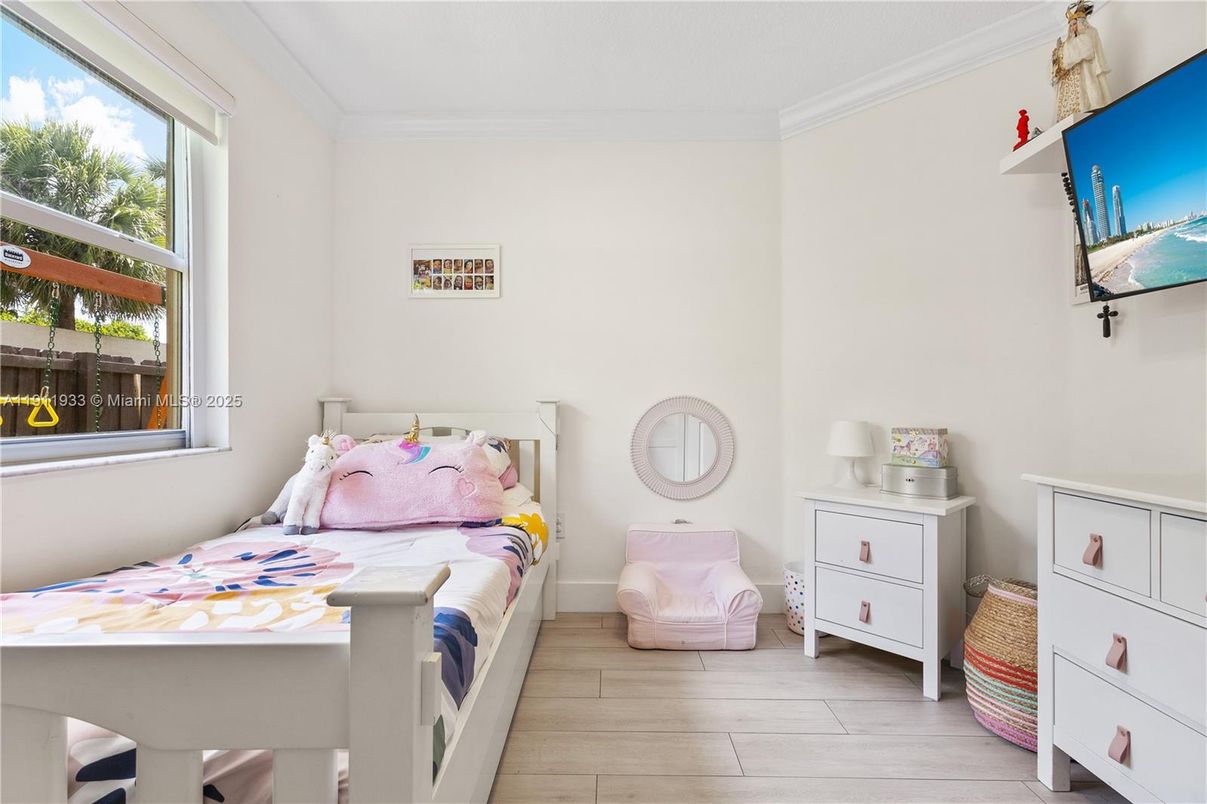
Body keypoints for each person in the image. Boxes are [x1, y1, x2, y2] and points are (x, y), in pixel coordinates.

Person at [1051, 1, 1110, 122]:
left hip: (1088, 73)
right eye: (1071, 25)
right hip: (1077, 75)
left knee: (1090, 94)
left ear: (1080, 23)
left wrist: (1061, 50)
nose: (1073, 28)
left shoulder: (1089, 33)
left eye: (1075, 24)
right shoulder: (1073, 40)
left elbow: (1085, 50)